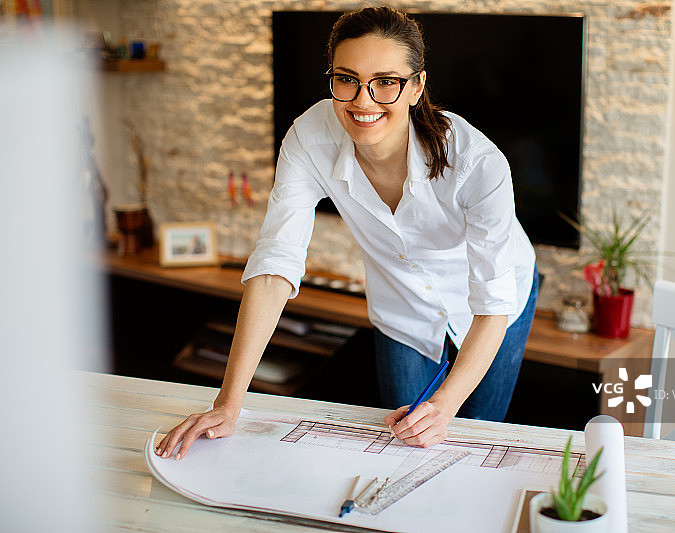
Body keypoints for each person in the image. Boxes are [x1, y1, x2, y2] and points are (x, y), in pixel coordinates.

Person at [156, 6, 538, 460]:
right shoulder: (309, 139)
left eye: (386, 81)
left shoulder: (477, 162)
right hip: (402, 307)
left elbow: (492, 302)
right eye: (347, 79)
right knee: (402, 445)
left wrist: (446, 406)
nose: (363, 100)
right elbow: (276, 263)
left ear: (416, 86)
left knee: (476, 442)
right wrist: (228, 403)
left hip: (496, 305)